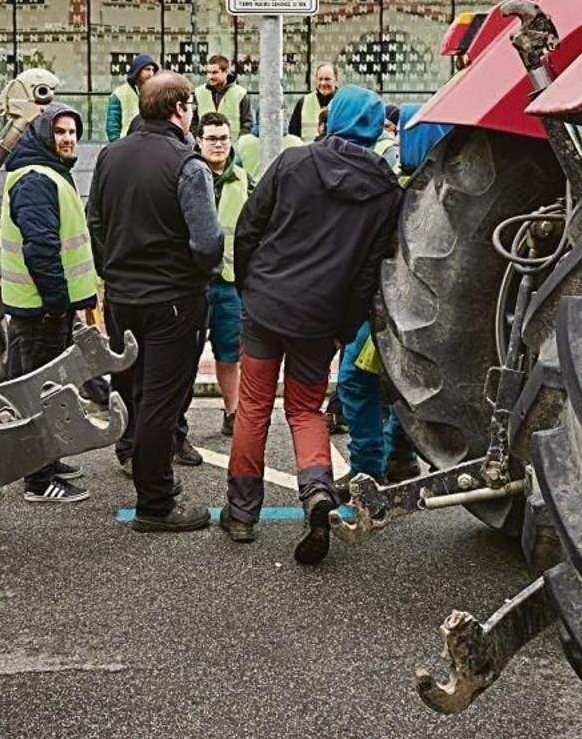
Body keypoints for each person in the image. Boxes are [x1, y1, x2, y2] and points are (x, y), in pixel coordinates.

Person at [223, 84, 402, 564]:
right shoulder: (386, 191)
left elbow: (248, 229)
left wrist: (249, 288)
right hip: (320, 321)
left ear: (332, 118)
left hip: (266, 306)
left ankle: (241, 514)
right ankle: (317, 495)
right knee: (305, 411)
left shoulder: (293, 162)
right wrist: (343, 327)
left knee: (254, 407)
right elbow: (368, 273)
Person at [88, 72, 224, 532]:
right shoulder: (188, 164)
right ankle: (156, 504)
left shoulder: (110, 155)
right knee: (162, 403)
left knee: (138, 391)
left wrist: (115, 270)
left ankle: (150, 478)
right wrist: (196, 273)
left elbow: (96, 222)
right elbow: (207, 242)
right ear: (180, 109)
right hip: (173, 301)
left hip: (123, 298)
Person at [0, 103, 99, 503]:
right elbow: (40, 248)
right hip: (41, 309)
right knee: (42, 393)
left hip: (42, 307)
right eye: (59, 131)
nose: (68, 138)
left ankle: (46, 462)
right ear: (42, 135)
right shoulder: (38, 179)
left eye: (73, 131)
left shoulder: (47, 175)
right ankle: (40, 481)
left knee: (46, 389)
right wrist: (58, 302)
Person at [197, 113, 251, 438]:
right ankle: (178, 421)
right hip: (195, 281)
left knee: (229, 351)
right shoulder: (189, 175)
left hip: (229, 282)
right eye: (212, 138)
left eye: (223, 138)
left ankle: (233, 413)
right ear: (199, 141)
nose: (218, 144)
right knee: (184, 354)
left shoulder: (242, 179)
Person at [193, 54, 253, 136]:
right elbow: (193, 122)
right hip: (205, 146)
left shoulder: (240, 94)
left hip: (233, 146)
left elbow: (247, 124)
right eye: (208, 72)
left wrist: (238, 145)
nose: (210, 76)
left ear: (226, 72)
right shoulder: (199, 92)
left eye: (214, 72)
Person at [106, 53, 158, 141]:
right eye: (147, 69)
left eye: (153, 70)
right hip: (126, 144)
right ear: (138, 70)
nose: (151, 73)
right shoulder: (119, 93)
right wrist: (117, 147)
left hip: (150, 144)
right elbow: (113, 128)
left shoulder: (156, 93)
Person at [287, 62, 339, 142]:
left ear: (336, 80)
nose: (323, 83)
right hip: (308, 153)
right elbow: (293, 136)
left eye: (327, 79)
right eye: (320, 79)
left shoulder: (345, 103)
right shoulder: (303, 103)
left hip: (335, 154)